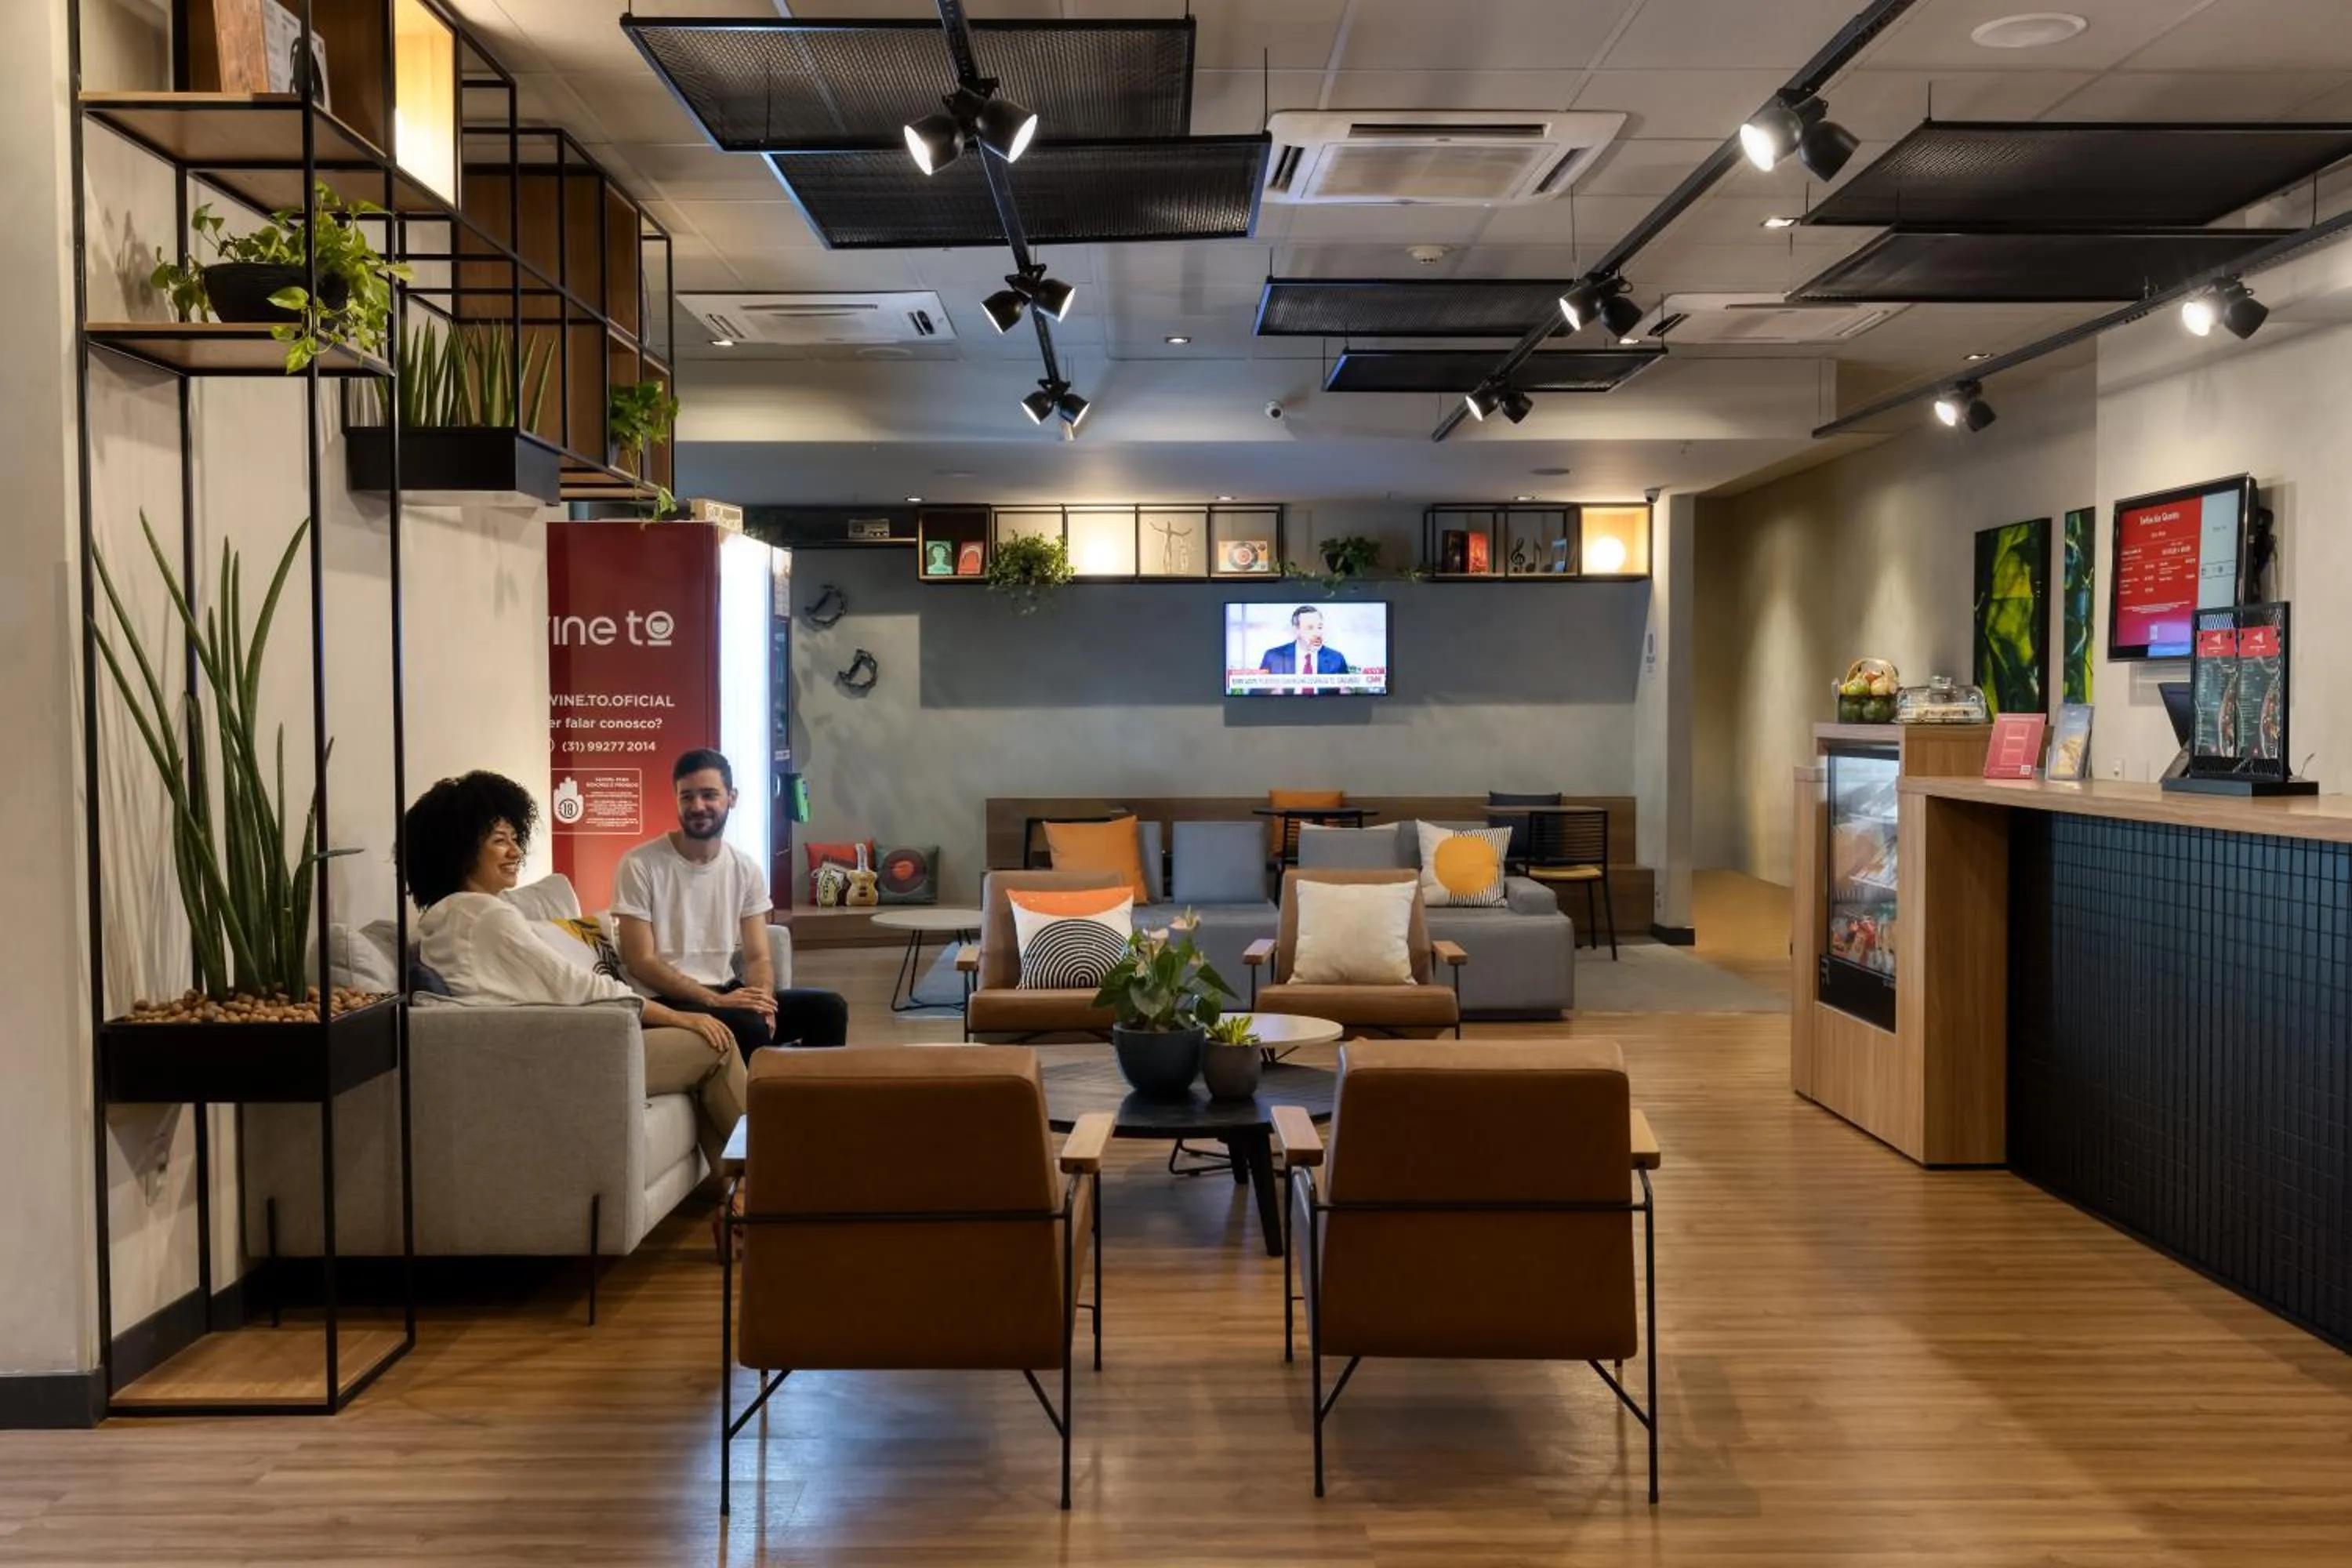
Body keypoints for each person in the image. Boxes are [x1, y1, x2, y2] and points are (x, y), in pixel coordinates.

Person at [404, 771, 745, 1186]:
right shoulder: (482, 915)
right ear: (461, 850)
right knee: (716, 1044)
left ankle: (735, 1194)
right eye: (499, 840)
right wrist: (683, 1018)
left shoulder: (444, 917)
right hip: (566, 1057)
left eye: (515, 838)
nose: (515, 851)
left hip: (542, 1050)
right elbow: (580, 987)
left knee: (707, 1040)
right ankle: (769, 1188)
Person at [612, 748, 850, 1060]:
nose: (698, 806)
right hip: (665, 1001)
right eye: (687, 797)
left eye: (709, 795)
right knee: (750, 1027)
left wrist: (763, 999)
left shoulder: (744, 867)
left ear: (732, 797)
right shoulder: (640, 864)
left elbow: (758, 957)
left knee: (829, 1008)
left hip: (724, 991)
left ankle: (813, 1104)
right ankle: (761, 1107)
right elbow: (640, 960)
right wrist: (714, 1001)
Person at [1258, 607, 1352, 678]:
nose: (1317, 633)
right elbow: (1257, 693)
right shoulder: (1273, 656)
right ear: (1296, 630)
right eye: (1310, 628)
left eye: (1319, 627)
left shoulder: (1336, 658)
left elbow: (1348, 695)